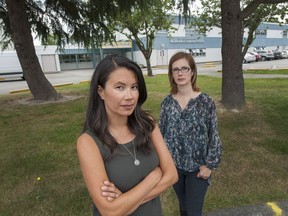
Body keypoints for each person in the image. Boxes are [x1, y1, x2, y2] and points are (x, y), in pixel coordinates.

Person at [77, 54, 178, 216]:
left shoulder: (148, 124)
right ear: (101, 92)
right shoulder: (88, 142)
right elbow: (110, 211)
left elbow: (172, 175)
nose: (130, 96)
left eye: (134, 87)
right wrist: (154, 177)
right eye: (120, 87)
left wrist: (124, 201)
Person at [159, 51, 222, 216]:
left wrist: (210, 165)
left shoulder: (205, 102)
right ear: (171, 74)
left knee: (194, 211)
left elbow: (214, 133)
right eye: (175, 69)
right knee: (184, 208)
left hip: (198, 168)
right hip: (174, 167)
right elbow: (160, 134)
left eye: (184, 68)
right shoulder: (167, 103)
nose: (180, 73)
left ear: (192, 72)